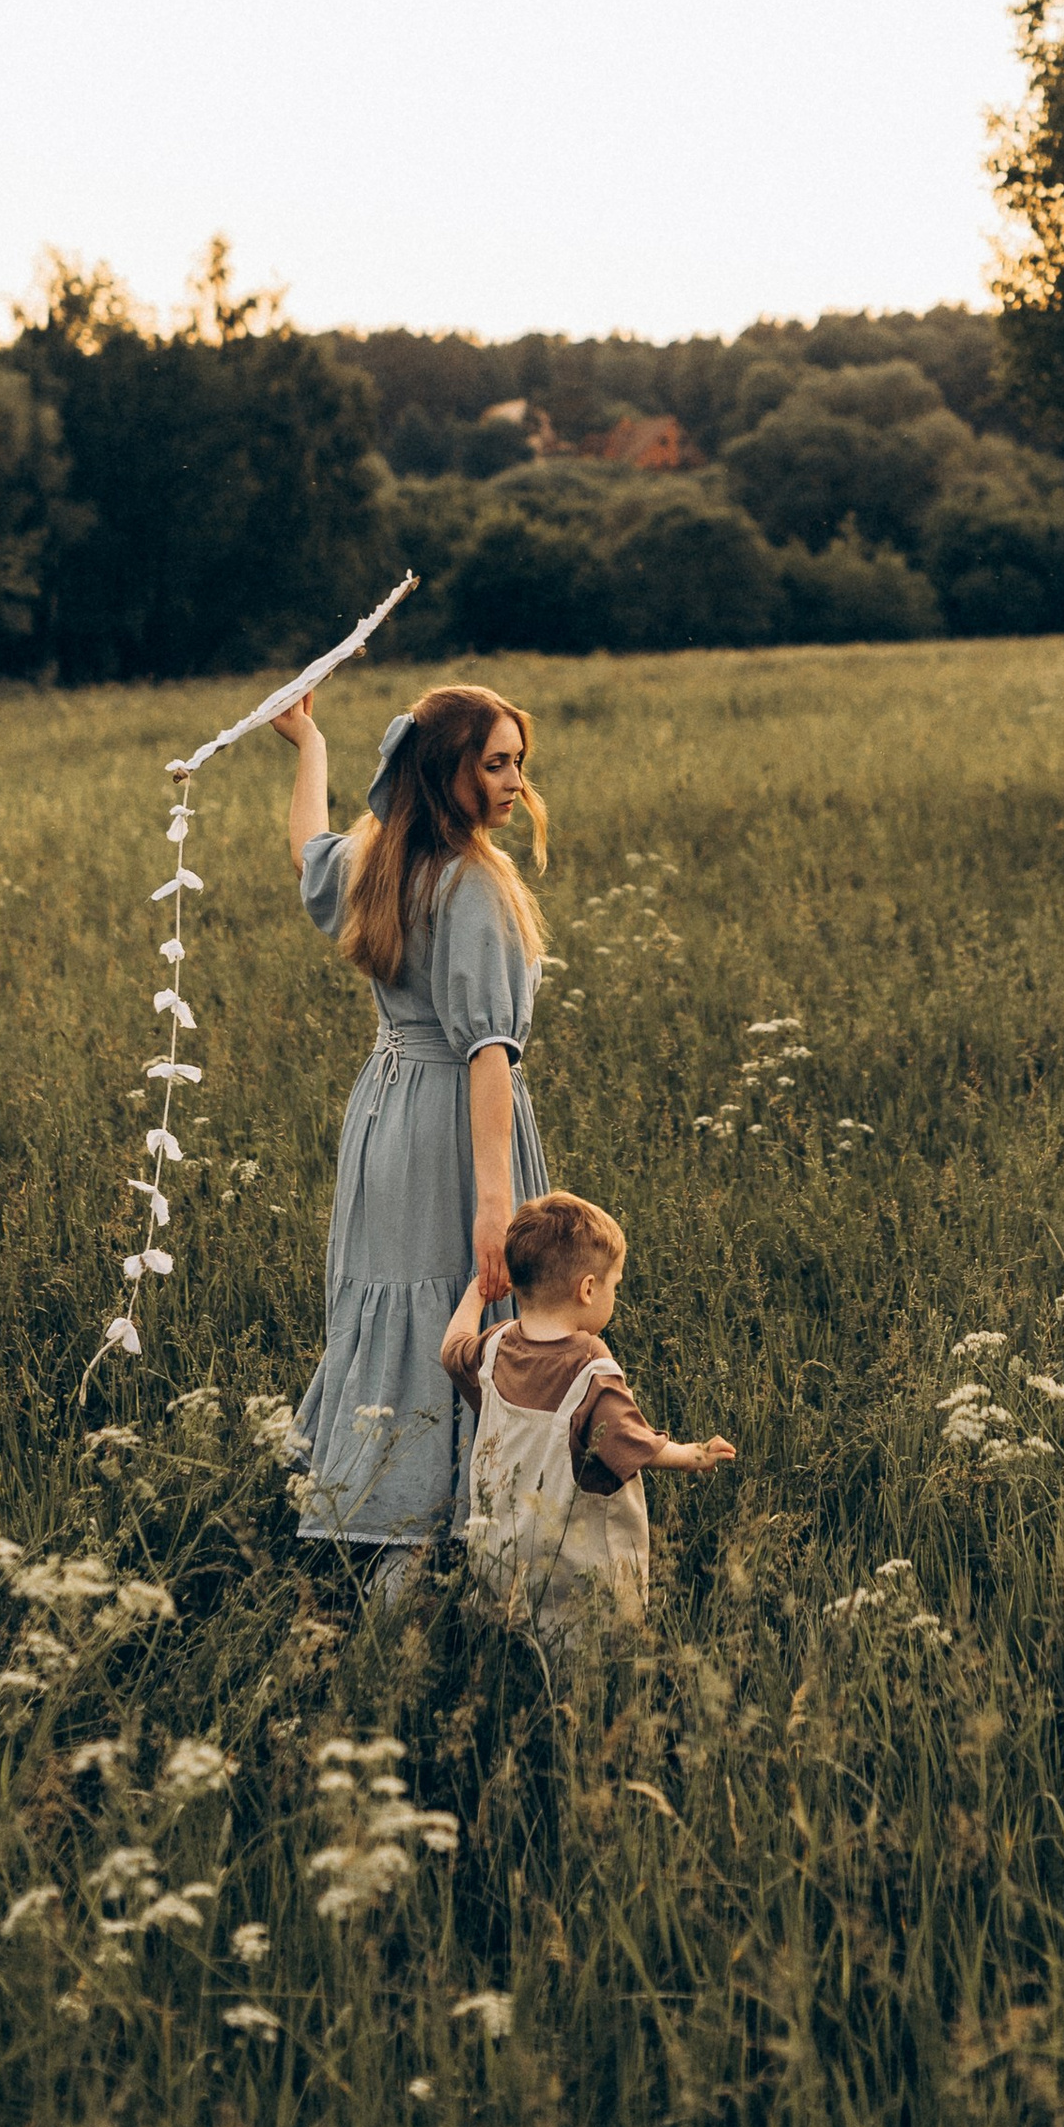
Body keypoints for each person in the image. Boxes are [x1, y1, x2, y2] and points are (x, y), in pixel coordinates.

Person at [271, 684, 552, 1594]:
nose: (516, 782)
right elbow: (486, 1054)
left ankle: (379, 1531)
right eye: (496, 763)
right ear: (449, 772)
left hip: (385, 1115)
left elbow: (309, 851)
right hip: (453, 1127)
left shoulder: (380, 859)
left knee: (398, 1316)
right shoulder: (471, 882)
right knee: (465, 1310)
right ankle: (431, 1565)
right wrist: (497, 1207)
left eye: (519, 762)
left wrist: (307, 745)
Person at [455, 1189, 734, 1640]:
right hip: (572, 1567)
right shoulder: (591, 1367)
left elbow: (451, 1348)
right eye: (614, 1284)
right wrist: (692, 1454)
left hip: (501, 1555)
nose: (614, 1293)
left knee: (507, 1637)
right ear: (588, 1289)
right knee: (587, 1647)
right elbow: (627, 1439)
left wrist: (478, 1292)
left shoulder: (495, 1347)